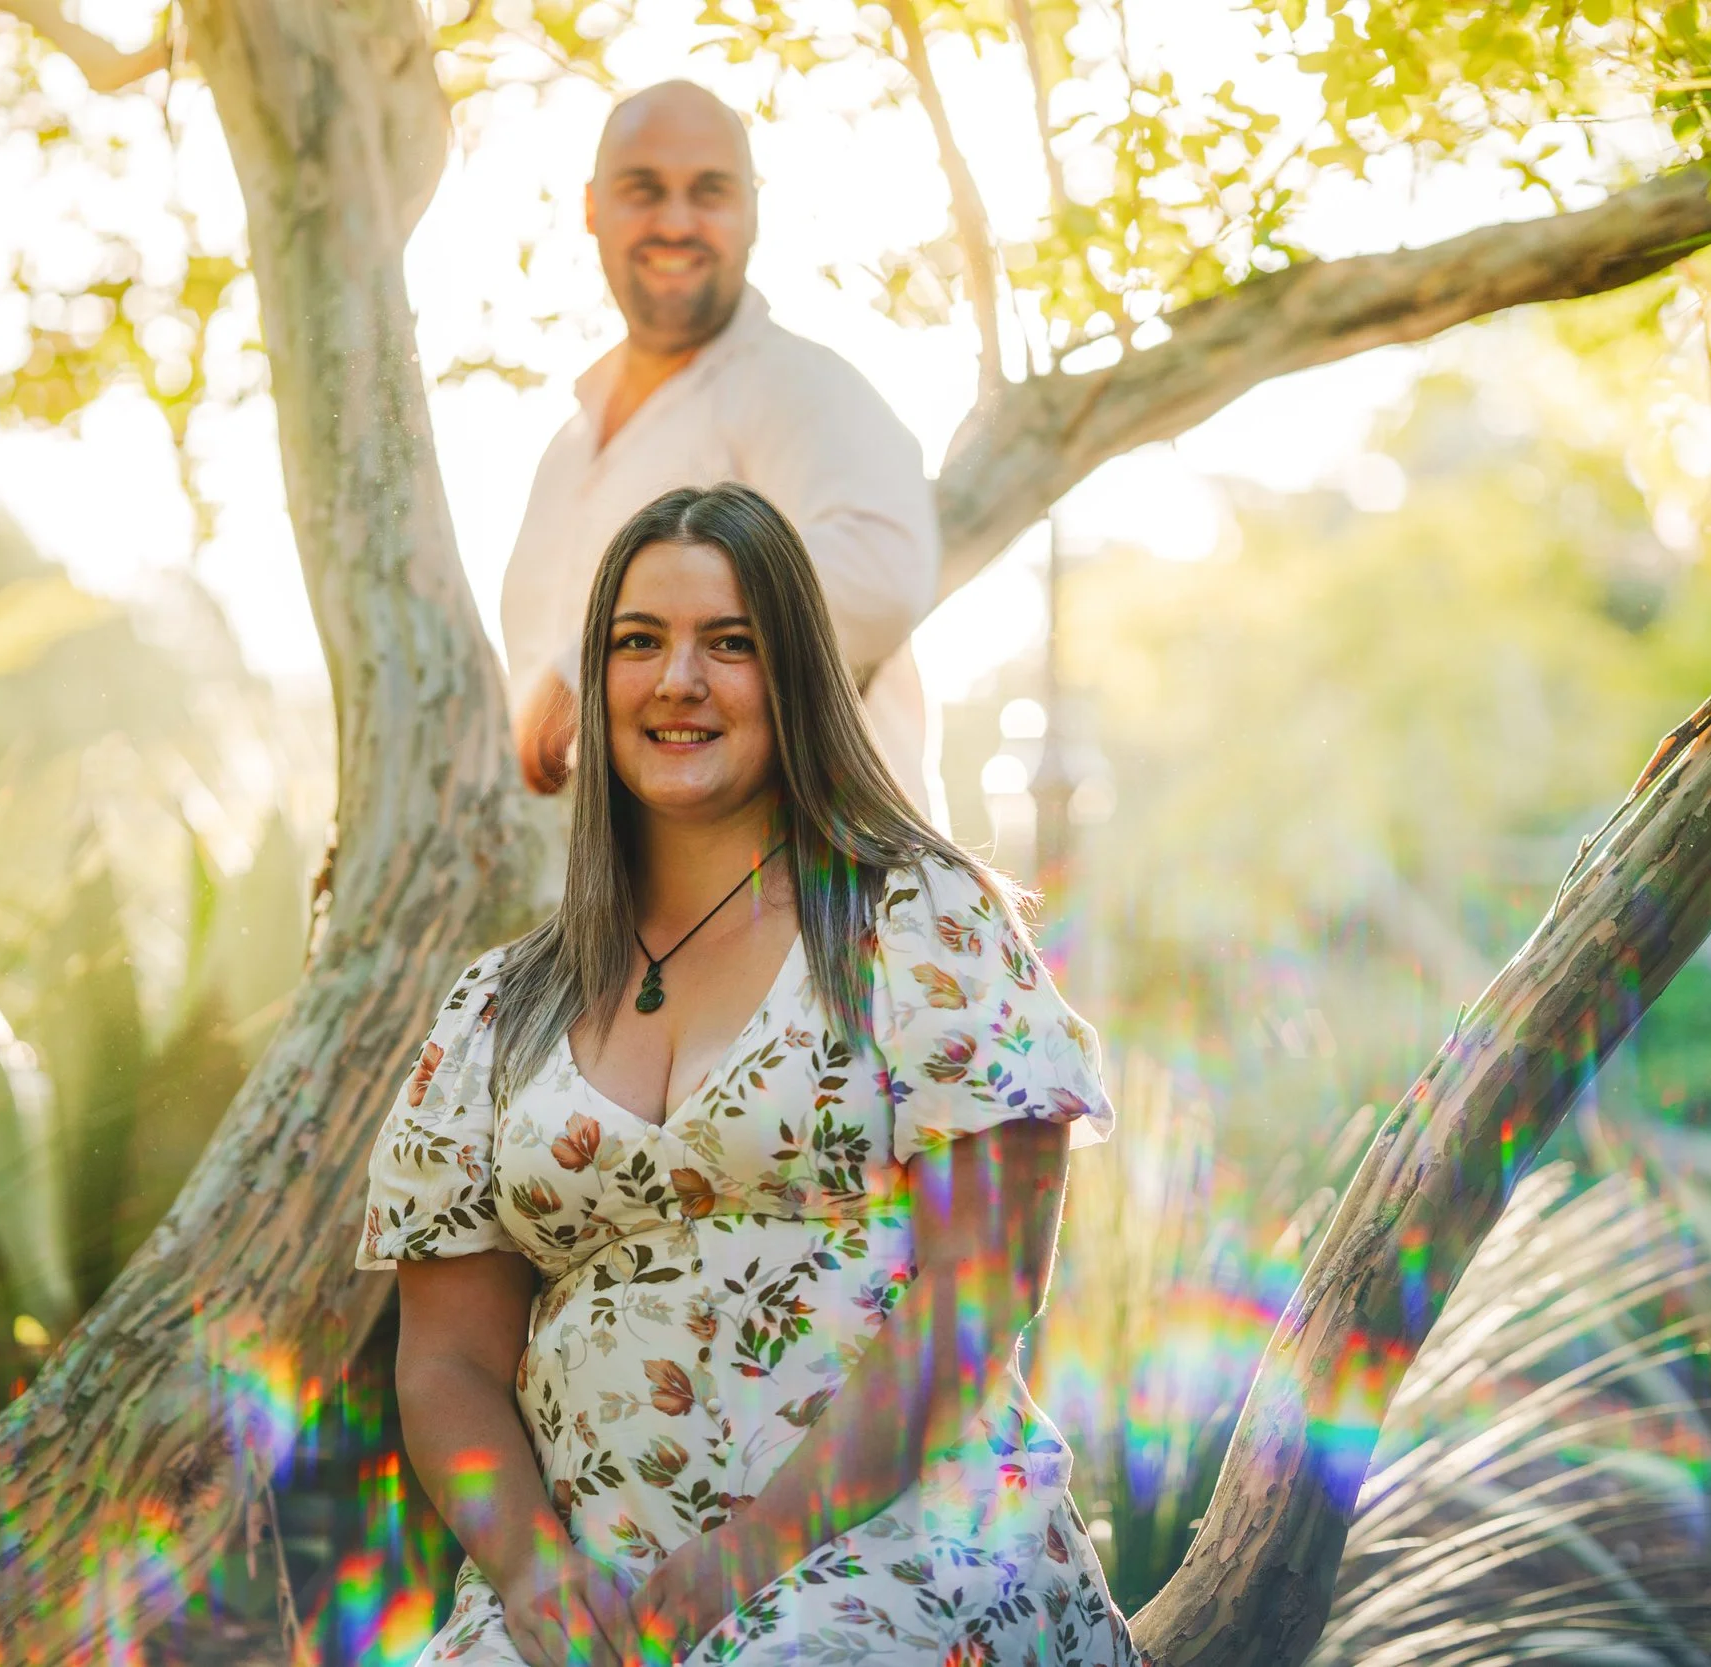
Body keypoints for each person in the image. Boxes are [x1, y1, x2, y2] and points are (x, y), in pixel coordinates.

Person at [359, 483, 1135, 1667]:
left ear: (797, 680)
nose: (679, 680)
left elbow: (980, 1290)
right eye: (638, 643)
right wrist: (530, 1567)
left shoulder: (917, 921)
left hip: (897, 1550)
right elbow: (448, 1356)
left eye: (732, 642)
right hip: (590, 1599)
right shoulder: (496, 1010)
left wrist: (742, 1557)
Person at [500, 80, 942, 813]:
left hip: (813, 902)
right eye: (643, 189)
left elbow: (883, 570)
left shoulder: (802, 387)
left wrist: (589, 669)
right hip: (624, 908)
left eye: (709, 191)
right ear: (591, 209)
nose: (676, 221)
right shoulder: (565, 447)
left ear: (752, 212)